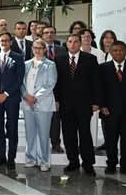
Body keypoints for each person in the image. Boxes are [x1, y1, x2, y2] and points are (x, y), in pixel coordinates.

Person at [54, 34, 100, 175]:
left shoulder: (90, 59)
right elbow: (56, 82)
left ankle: (88, 164)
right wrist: (56, 100)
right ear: (66, 44)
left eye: (76, 42)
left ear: (80, 43)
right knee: (69, 134)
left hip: (84, 104)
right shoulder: (59, 59)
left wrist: (96, 101)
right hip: (65, 104)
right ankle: (73, 162)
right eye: (70, 41)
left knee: (85, 134)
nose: (73, 44)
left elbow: (96, 82)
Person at [98, 41, 126, 177]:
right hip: (109, 111)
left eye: (121, 50)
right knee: (111, 140)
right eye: (115, 50)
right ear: (111, 52)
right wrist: (102, 105)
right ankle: (111, 165)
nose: (118, 53)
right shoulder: (103, 68)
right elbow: (99, 89)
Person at [0, 32, 25, 170]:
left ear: (10, 42)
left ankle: (11, 158)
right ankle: (1, 156)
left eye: (6, 40)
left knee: (12, 128)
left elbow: (19, 79)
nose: (4, 43)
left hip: (12, 98)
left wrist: (6, 94)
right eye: (1, 41)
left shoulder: (18, 58)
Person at [21, 39, 57, 172]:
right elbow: (21, 83)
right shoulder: (26, 64)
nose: (38, 50)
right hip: (27, 103)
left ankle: (44, 161)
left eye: (40, 48)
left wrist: (35, 97)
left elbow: (50, 83)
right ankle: (30, 159)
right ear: (32, 49)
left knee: (43, 134)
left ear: (45, 49)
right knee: (30, 133)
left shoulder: (50, 65)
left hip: (43, 104)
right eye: (35, 48)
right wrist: (26, 96)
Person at [42, 25, 66, 153]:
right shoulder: (37, 48)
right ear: (42, 35)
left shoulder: (62, 49)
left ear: (55, 34)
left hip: (58, 88)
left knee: (56, 118)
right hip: (41, 89)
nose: (49, 35)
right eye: (46, 32)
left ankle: (56, 143)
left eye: (52, 32)